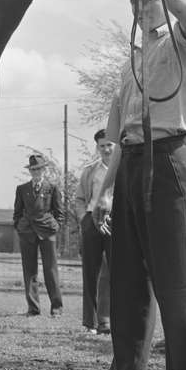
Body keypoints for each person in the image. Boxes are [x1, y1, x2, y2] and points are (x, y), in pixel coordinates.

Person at [74, 0, 186, 370]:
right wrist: (102, 192)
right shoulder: (134, 62)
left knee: (178, 281)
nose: (141, 8)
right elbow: (122, 135)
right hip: (130, 164)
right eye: (134, 2)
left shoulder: (182, 42)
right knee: (127, 283)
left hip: (169, 162)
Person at [74, 129, 115, 334]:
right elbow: (80, 198)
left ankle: (109, 320)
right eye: (102, 146)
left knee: (117, 272)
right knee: (91, 272)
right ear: (97, 148)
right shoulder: (90, 171)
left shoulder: (124, 169)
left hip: (116, 222)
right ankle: (90, 323)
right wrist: (84, 219)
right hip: (92, 220)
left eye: (110, 145)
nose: (106, 149)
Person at [12, 153, 64, 317]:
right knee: (29, 271)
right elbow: (17, 213)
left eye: (39, 169)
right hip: (27, 233)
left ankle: (56, 308)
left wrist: (55, 226)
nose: (36, 172)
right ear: (30, 171)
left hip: (47, 232)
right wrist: (20, 227)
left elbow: (60, 213)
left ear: (44, 169)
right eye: (33, 169)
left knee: (51, 270)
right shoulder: (22, 189)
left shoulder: (52, 188)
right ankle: (33, 308)